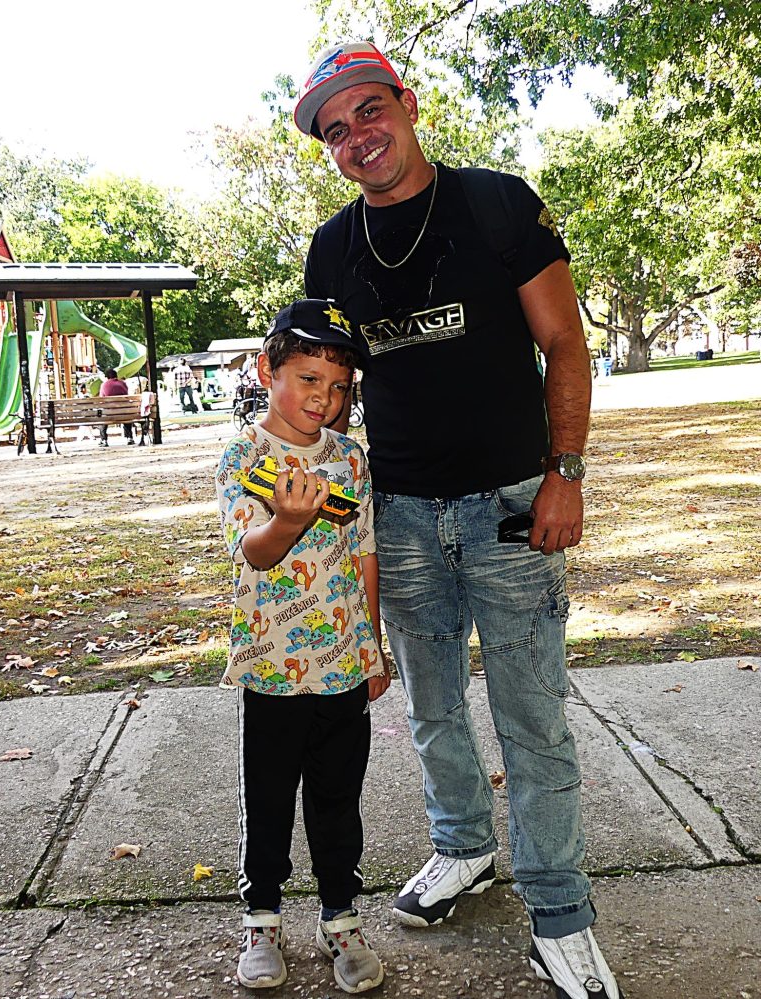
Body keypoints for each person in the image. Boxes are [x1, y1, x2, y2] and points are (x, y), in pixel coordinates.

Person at [295, 41, 622, 999]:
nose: (358, 136)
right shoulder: (331, 249)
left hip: (512, 507)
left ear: (407, 102)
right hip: (397, 517)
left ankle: (560, 914)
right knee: (431, 708)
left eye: (369, 109)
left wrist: (565, 475)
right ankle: (463, 845)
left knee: (533, 721)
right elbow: (326, 391)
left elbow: (564, 343)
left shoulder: (497, 204)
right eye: (335, 130)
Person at [215, 298, 390, 993]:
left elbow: (364, 551)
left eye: (339, 386)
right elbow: (254, 551)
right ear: (268, 370)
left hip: (344, 662)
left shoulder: (350, 458)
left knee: (338, 799)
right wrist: (288, 519)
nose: (325, 397)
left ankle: (340, 916)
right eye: (309, 378)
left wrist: (372, 644)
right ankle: (262, 916)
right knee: (268, 798)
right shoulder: (245, 456)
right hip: (272, 668)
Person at [98, 368, 134, 447]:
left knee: (102, 417)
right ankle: (129, 438)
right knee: (126, 415)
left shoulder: (104, 385)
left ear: (107, 377)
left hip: (109, 414)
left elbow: (101, 401)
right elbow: (126, 395)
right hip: (123, 413)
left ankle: (104, 440)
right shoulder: (123, 383)